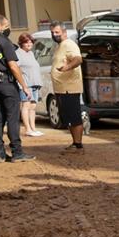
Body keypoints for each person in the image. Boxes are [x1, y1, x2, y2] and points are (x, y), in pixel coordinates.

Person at [0, 13, 29, 162]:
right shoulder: (4, 42)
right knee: (12, 118)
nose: (8, 29)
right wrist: (24, 85)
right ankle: (17, 152)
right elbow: (13, 66)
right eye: (7, 26)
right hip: (7, 84)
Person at [47, 18, 86, 151]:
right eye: (52, 32)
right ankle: (74, 142)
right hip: (61, 89)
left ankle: (78, 144)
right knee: (68, 118)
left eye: (57, 32)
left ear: (64, 32)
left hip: (70, 88)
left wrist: (67, 67)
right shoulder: (60, 46)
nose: (54, 35)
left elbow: (78, 59)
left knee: (74, 117)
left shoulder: (69, 44)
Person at [14, 32, 45, 138]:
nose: (29, 44)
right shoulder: (18, 53)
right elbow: (16, 68)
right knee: (26, 106)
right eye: (26, 42)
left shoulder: (31, 53)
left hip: (35, 84)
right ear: (21, 43)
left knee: (33, 106)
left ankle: (33, 128)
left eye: (31, 42)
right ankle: (27, 129)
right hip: (26, 84)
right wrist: (23, 85)